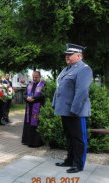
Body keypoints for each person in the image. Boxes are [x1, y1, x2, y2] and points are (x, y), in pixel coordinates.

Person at [52, 43, 93, 173]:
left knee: (78, 139)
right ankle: (70, 160)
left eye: (70, 54)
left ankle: (78, 164)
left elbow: (81, 92)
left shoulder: (84, 69)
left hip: (76, 111)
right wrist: (55, 103)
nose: (67, 56)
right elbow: (59, 88)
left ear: (79, 56)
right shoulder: (67, 69)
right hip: (65, 110)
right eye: (66, 54)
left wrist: (74, 110)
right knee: (69, 136)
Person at [21, 71, 45, 148]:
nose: (34, 78)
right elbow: (24, 94)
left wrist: (33, 98)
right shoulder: (29, 85)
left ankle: (35, 142)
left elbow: (43, 95)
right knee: (28, 124)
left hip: (37, 107)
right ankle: (27, 140)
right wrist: (27, 98)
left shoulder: (43, 85)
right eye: (33, 77)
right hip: (29, 107)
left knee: (36, 124)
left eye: (36, 77)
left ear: (40, 76)